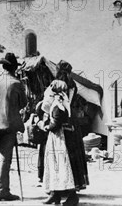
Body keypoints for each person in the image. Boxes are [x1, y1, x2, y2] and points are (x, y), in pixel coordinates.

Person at [0, 52, 27, 201]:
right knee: (4, 158)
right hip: (7, 124)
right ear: (14, 68)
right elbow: (23, 104)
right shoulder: (16, 83)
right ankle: (2, 191)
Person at [41, 80, 80, 206]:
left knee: (61, 166)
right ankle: (55, 194)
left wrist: (45, 127)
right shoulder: (63, 101)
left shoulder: (58, 104)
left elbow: (56, 123)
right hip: (58, 138)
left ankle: (72, 197)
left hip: (59, 139)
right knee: (55, 166)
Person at [54, 61, 89, 194]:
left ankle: (64, 188)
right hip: (72, 120)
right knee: (72, 154)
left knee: (62, 154)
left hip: (62, 119)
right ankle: (72, 185)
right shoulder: (72, 84)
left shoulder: (59, 84)